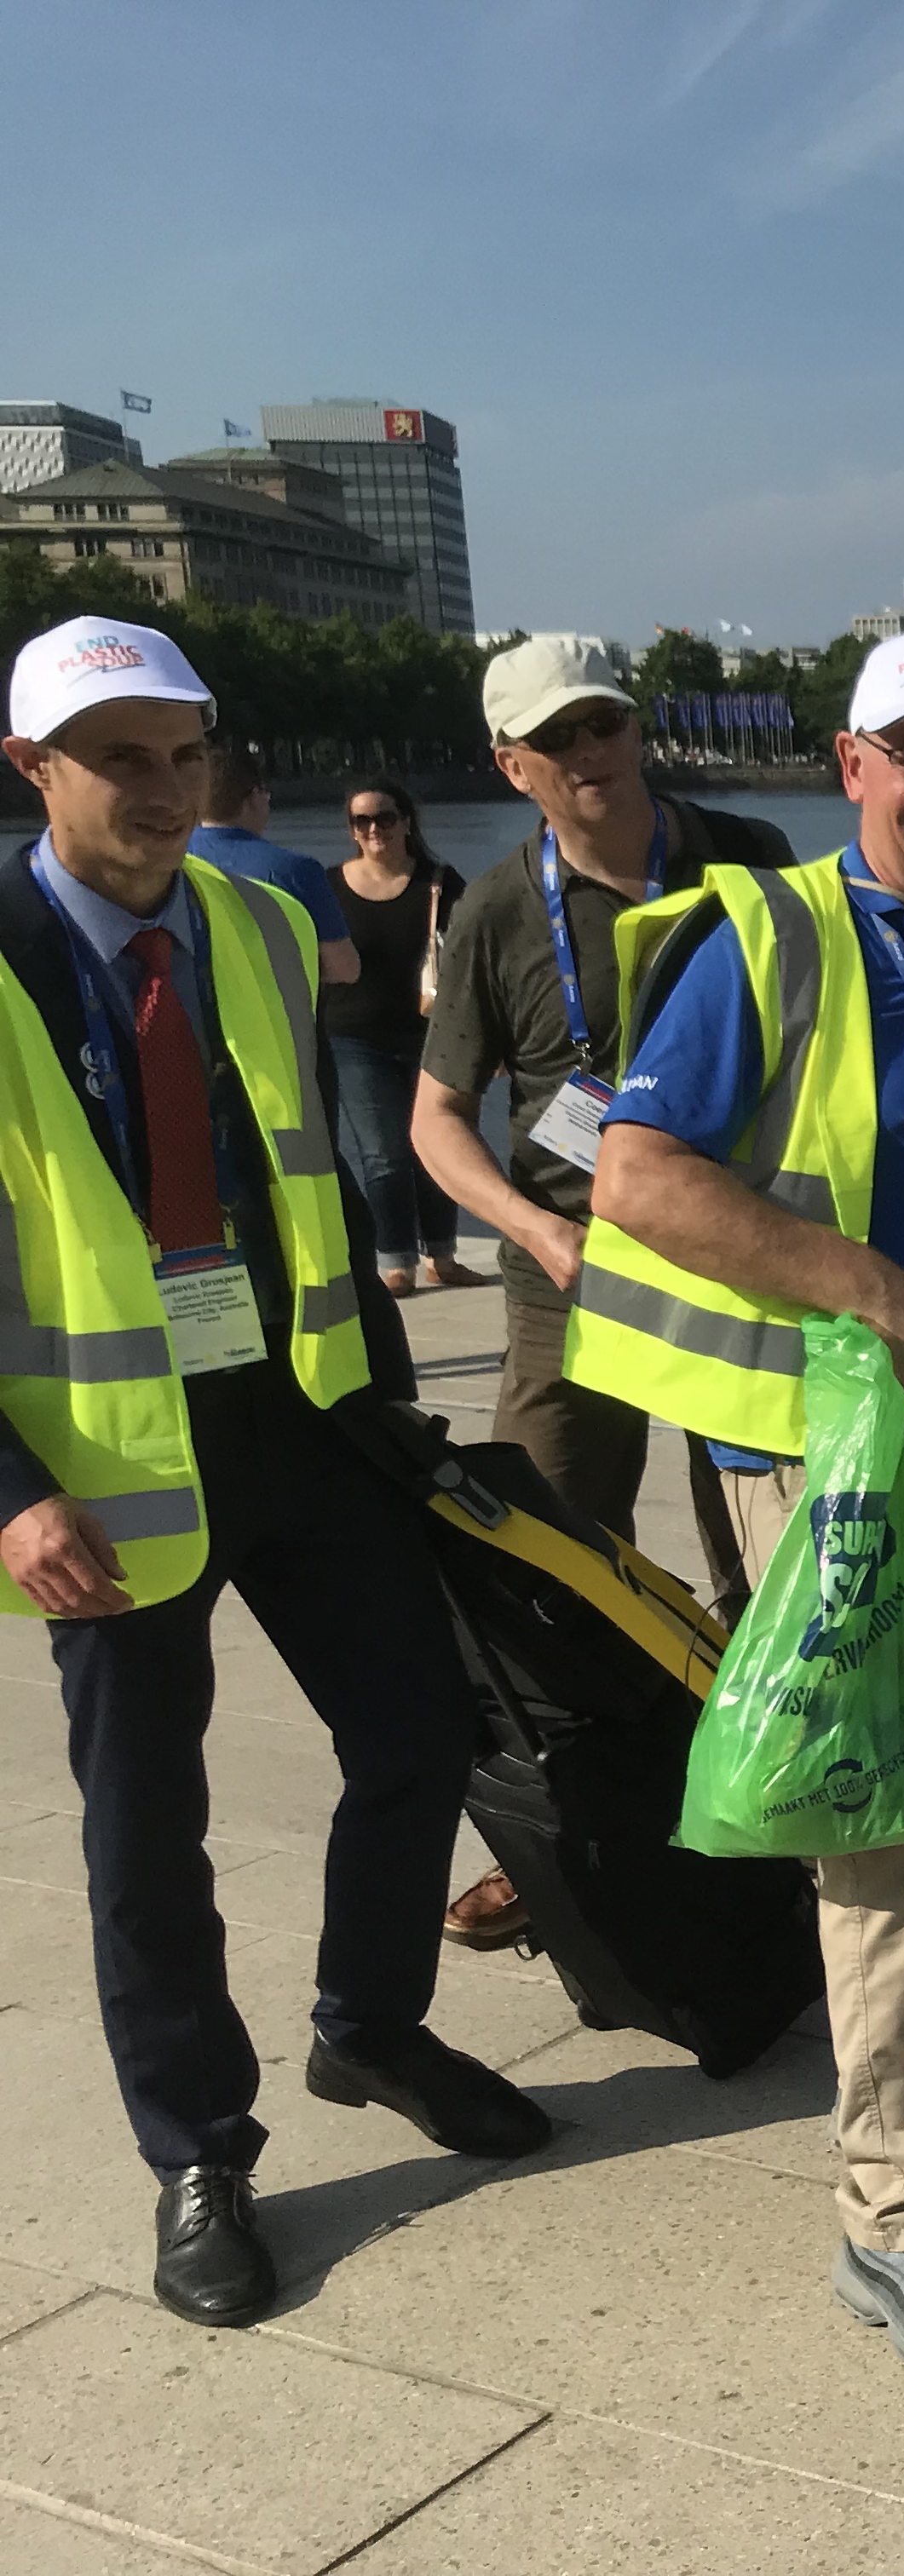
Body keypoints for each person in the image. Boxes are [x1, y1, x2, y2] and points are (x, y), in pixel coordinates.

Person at [0, 617, 546, 2332]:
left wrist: (382, 1412)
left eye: (185, 754)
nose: (165, 792)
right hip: (103, 1462)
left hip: (300, 1413)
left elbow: (302, 1179)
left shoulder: (256, 918)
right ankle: (199, 2147)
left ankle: (371, 2025)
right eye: (121, 761)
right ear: (32, 770)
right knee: (146, 1829)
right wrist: (10, 1487)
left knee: (417, 1730)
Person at [568, 625, 904, 2381]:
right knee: (884, 1822)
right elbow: (638, 1175)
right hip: (854, 1453)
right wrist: (873, 1290)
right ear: (850, 766)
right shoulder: (773, 933)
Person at [412, 639, 797, 1949]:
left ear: (637, 731)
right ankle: (575, 1819)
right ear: (512, 764)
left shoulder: (749, 852)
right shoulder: (496, 913)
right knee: (552, 1554)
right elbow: (436, 1119)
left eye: (606, 724)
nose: (591, 755)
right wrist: (529, 1223)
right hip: (567, 1280)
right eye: (558, 738)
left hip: (732, 1262)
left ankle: (781, 1790)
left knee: (765, 1546)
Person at [320, 775, 471, 1294]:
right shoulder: (328, 886)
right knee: (384, 1152)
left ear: (406, 822)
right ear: (351, 830)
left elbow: (475, 962)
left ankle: (443, 1256)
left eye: (385, 817)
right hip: (354, 1036)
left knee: (438, 1143)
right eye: (362, 821)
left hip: (432, 1034)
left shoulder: (441, 882)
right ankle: (397, 1262)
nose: (374, 829)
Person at [187, 740, 358, 986]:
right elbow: (345, 968)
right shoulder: (296, 871)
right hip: (270, 1019)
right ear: (255, 797)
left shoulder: (171, 862)